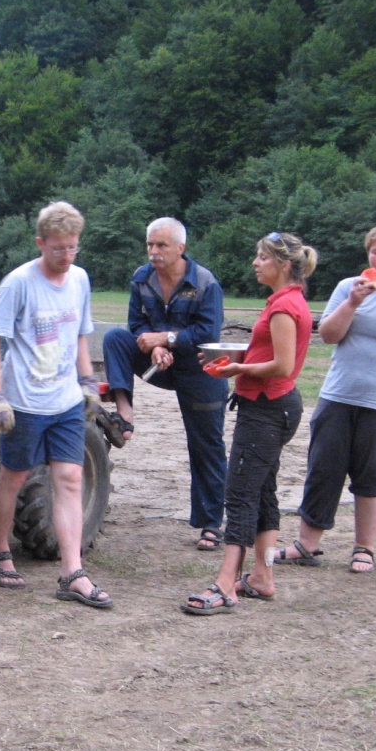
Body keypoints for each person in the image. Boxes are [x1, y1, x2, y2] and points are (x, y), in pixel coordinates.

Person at [273, 224, 376, 574]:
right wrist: (352, 303)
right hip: (341, 394)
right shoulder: (348, 287)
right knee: (323, 468)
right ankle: (307, 545)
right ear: (368, 255)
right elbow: (328, 335)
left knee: (374, 474)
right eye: (375, 252)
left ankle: (364, 548)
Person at [0, 201, 112, 609]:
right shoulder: (19, 283)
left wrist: (87, 379)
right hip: (25, 402)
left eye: (73, 248)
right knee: (13, 478)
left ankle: (72, 572)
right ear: (41, 243)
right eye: (59, 249)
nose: (67, 256)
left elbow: (78, 336)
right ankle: (1, 552)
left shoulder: (80, 280)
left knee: (70, 480)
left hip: (65, 401)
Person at [182, 232, 315, 615]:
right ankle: (261, 577)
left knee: (239, 493)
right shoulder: (287, 301)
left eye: (262, 257)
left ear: (283, 265)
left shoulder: (283, 308)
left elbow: (284, 365)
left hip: (266, 408)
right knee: (262, 491)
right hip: (274, 406)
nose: (256, 263)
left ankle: (226, 584)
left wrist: (238, 367)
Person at [102, 217, 229, 551]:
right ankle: (124, 411)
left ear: (180, 248)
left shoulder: (205, 282)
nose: (153, 252)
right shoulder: (141, 277)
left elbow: (208, 333)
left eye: (161, 245)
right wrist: (155, 344)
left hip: (201, 367)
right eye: (150, 245)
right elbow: (135, 323)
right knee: (115, 338)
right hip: (159, 359)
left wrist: (168, 339)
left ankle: (211, 524)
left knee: (206, 445)